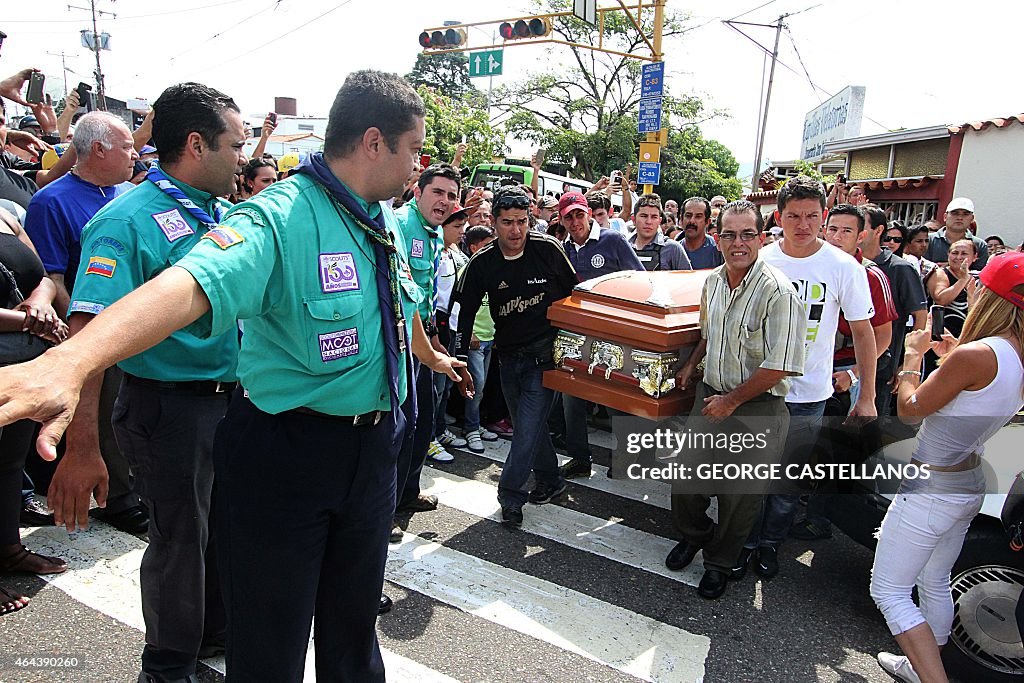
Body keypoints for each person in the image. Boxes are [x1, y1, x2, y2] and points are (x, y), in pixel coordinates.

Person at [0, 70, 463, 682]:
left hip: (372, 449)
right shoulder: (277, 217)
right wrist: (72, 360)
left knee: (352, 635)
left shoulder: (380, 220)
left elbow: (397, 311)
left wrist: (432, 359)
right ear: (374, 143)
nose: (417, 167)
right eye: (412, 151)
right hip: (288, 453)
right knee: (270, 640)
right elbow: (187, 286)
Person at [50, 83, 246, 683]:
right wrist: (81, 450)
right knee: (180, 544)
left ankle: (212, 634)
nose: (243, 156)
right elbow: (86, 342)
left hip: (228, 402)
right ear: (196, 144)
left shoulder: (217, 211)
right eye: (235, 145)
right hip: (168, 410)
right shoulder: (125, 221)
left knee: (220, 533)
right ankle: (166, 667)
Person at [871, 252, 1024, 683]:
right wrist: (957, 356)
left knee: (889, 590)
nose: (971, 289)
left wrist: (912, 360)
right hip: (968, 478)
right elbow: (986, 393)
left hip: (932, 485)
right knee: (934, 577)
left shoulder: (977, 354)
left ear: (991, 296)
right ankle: (921, 667)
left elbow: (910, 411)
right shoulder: (1009, 354)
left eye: (977, 283)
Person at [738, 175, 877, 579]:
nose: (803, 224)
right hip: (758, 390)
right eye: (794, 216)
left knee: (787, 483)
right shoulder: (760, 258)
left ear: (824, 216)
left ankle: (769, 545)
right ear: (779, 217)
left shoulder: (843, 267)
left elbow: (864, 333)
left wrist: (866, 395)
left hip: (810, 394)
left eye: (812, 216)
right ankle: (743, 543)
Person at [667, 200, 805, 600]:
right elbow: (708, 336)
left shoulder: (779, 291)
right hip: (710, 396)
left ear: (761, 238)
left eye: (747, 234)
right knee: (686, 482)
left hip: (757, 407)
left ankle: (719, 563)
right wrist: (690, 366)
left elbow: (780, 365)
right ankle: (697, 537)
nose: (738, 242)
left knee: (738, 497)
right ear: (718, 237)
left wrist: (731, 401)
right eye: (729, 234)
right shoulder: (712, 281)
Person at [23, 111, 145, 534]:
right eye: (128, 147)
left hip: (138, 321)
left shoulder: (126, 194)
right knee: (103, 409)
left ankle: (134, 485)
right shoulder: (52, 201)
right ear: (98, 149)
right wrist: (83, 328)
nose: (136, 155)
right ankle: (118, 498)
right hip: (91, 325)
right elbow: (51, 275)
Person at [452, 185, 578, 526]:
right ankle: (551, 480)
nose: (516, 230)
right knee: (529, 427)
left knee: (525, 430)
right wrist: (460, 359)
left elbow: (576, 296)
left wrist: (573, 350)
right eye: (507, 222)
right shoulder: (482, 263)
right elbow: (462, 313)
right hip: (507, 358)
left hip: (544, 356)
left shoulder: (548, 249)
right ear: (493, 223)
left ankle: (510, 496)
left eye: (522, 221)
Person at [0, 204, 68, 617]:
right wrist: (28, 323)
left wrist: (41, 303)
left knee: (8, 463)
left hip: (24, 363)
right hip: (20, 342)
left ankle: (8, 549)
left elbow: (40, 274)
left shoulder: (6, 212)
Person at [558, 190, 643, 478]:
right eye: (568, 217)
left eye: (579, 214)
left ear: (589, 213)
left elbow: (640, 280)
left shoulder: (613, 240)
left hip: (613, 334)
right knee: (572, 396)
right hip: (577, 335)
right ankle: (580, 458)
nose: (575, 222)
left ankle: (628, 458)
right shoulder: (563, 248)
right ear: (562, 219)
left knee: (619, 397)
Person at [455, 226, 499, 453]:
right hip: (474, 341)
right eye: (487, 244)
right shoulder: (465, 271)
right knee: (476, 385)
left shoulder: (495, 269)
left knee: (481, 388)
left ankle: (475, 423)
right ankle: (471, 428)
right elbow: (458, 308)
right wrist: (469, 333)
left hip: (490, 337)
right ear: (473, 247)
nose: (492, 248)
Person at [627, 193, 693, 271]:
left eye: (654, 217)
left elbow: (687, 281)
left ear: (660, 221)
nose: (648, 221)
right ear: (633, 219)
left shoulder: (673, 248)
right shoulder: (623, 247)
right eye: (643, 216)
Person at [925, 197, 988, 269]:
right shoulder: (928, 240)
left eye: (965, 214)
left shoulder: (980, 245)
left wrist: (949, 266)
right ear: (945, 216)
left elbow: (978, 273)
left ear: (972, 218)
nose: (960, 217)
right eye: (955, 213)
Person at [680, 197, 724, 269]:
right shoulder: (673, 250)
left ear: (707, 222)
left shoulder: (718, 250)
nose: (692, 221)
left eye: (698, 216)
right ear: (681, 220)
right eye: (688, 216)